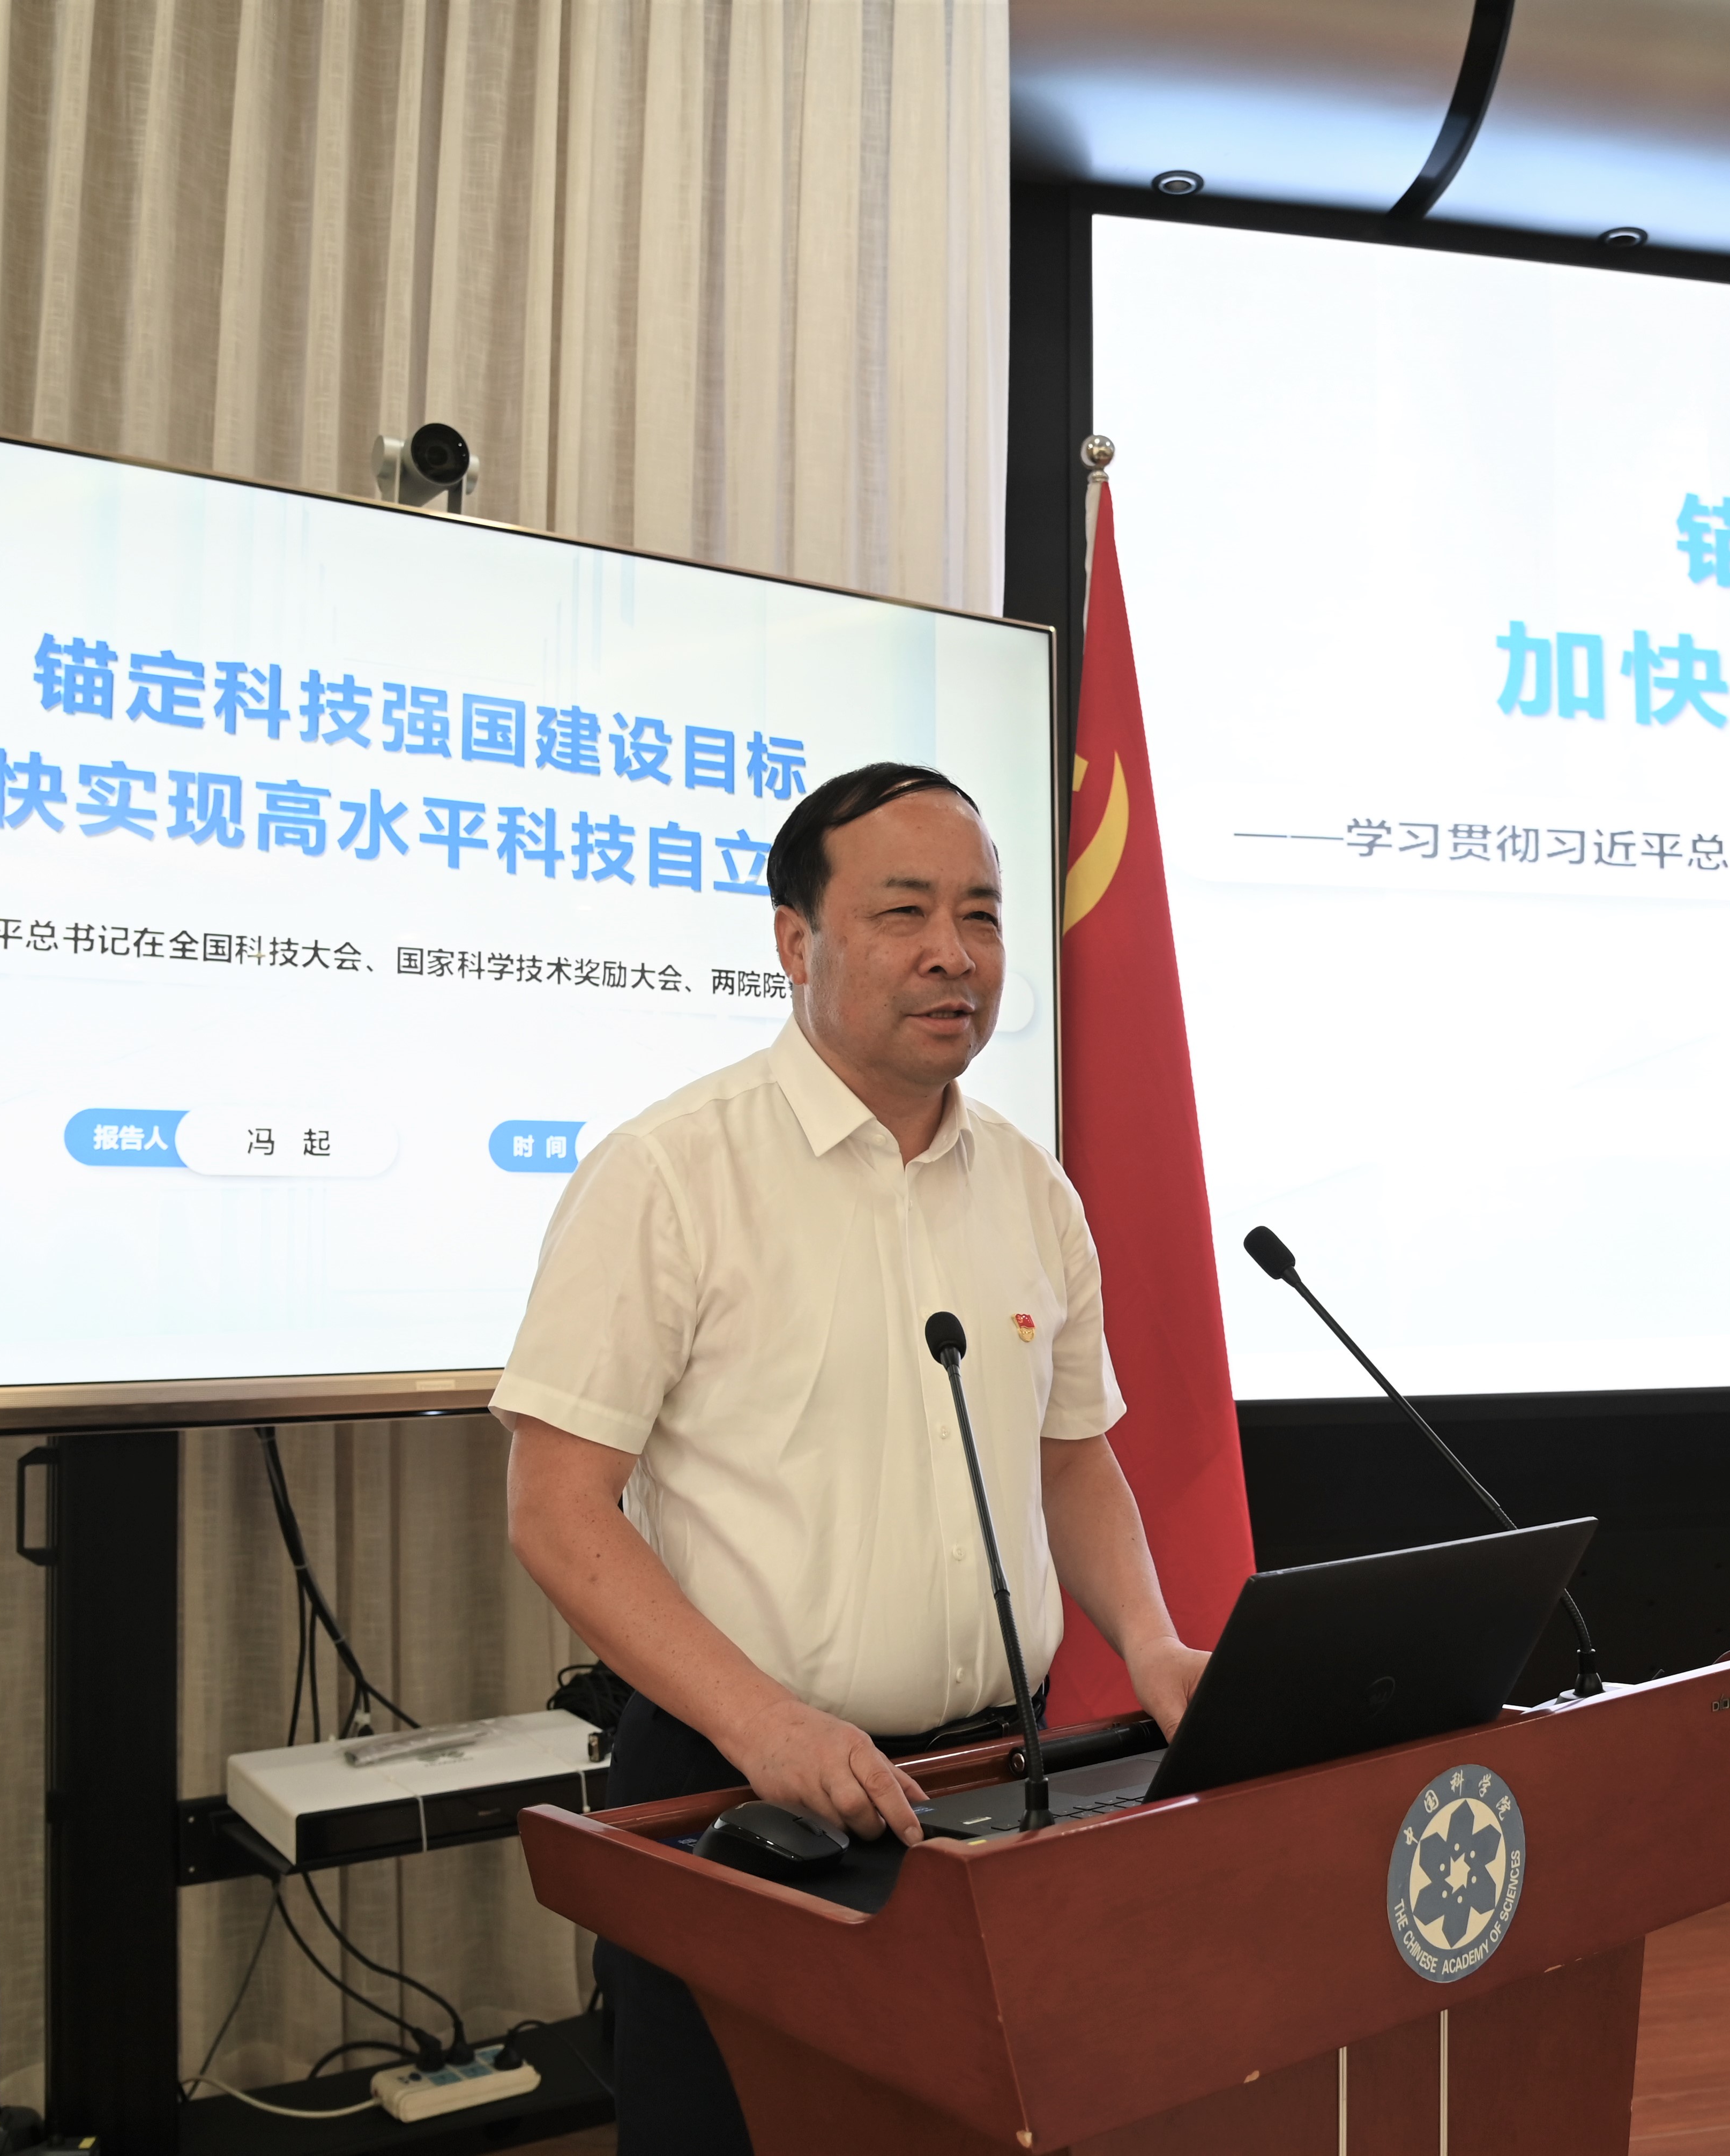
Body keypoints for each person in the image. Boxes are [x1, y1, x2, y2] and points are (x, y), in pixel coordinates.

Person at [495, 761, 1210, 2156]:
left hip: (995, 1785)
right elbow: (557, 1509)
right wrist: (765, 1727)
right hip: (742, 1794)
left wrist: (1153, 1640)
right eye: (904, 911)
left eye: (982, 914)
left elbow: (1071, 1459)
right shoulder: (670, 1173)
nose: (955, 952)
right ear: (796, 939)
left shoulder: (1031, 1186)